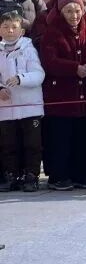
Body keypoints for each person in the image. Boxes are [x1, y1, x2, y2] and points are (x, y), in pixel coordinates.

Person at [39, 0, 86, 191]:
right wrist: (74, 68)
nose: (74, 16)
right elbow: (50, 61)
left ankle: (81, 174)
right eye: (68, 11)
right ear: (61, 12)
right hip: (60, 97)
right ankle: (59, 176)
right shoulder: (51, 31)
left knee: (83, 137)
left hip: (85, 97)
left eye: (77, 11)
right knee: (60, 139)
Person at [0, 11, 45, 192]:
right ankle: (12, 175)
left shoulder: (28, 49)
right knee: (8, 144)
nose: (10, 30)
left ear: (22, 31)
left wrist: (21, 78)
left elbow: (39, 75)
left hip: (29, 107)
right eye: (5, 27)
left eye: (14, 27)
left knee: (32, 144)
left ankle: (31, 176)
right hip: (6, 108)